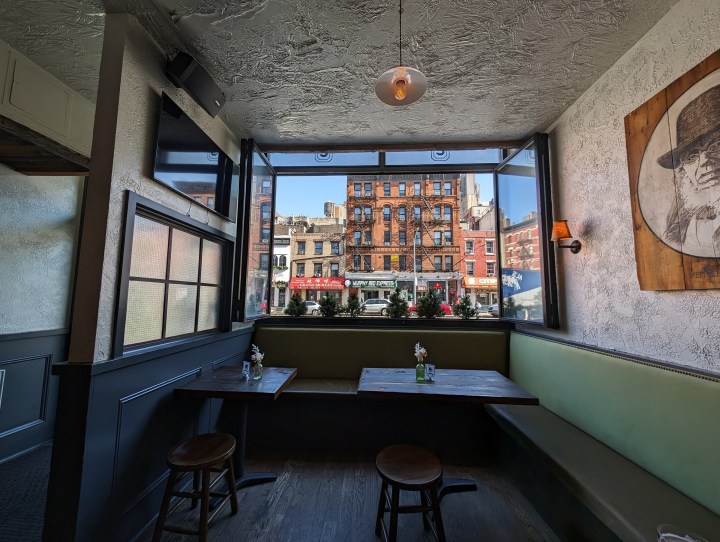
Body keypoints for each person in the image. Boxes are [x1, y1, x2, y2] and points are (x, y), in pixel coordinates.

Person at [657, 85, 720, 254]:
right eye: (691, 157)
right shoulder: (681, 229)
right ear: (684, 171)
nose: (704, 162)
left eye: (716, 145)